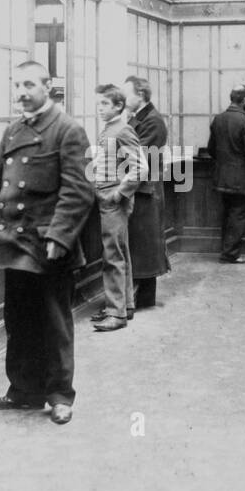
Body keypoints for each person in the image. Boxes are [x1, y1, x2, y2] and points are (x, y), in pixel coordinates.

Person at [0, 60, 93, 425]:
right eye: (15, 86)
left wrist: (60, 237)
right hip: (14, 241)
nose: (21, 93)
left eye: (28, 84)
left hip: (48, 245)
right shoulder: (13, 131)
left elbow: (79, 191)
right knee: (19, 319)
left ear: (48, 86)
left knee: (54, 321)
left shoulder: (68, 130)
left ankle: (60, 395)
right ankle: (24, 391)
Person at [88, 84, 143, 332]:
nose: (99, 108)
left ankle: (116, 313)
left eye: (105, 104)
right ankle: (125, 306)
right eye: (98, 103)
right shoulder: (111, 128)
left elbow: (141, 168)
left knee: (113, 256)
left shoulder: (122, 130)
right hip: (107, 196)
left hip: (113, 200)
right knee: (120, 252)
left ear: (118, 106)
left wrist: (118, 193)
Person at [121, 75, 171, 310]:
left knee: (143, 246)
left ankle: (139, 299)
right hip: (141, 189)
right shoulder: (140, 118)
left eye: (126, 93)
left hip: (145, 191)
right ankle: (141, 298)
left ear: (140, 95)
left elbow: (138, 157)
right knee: (142, 245)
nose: (123, 98)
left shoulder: (152, 121)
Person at [207, 84, 245, 263]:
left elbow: (211, 149)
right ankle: (230, 254)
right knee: (239, 216)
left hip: (221, 178)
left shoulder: (218, 119)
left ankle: (227, 251)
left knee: (228, 215)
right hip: (242, 181)